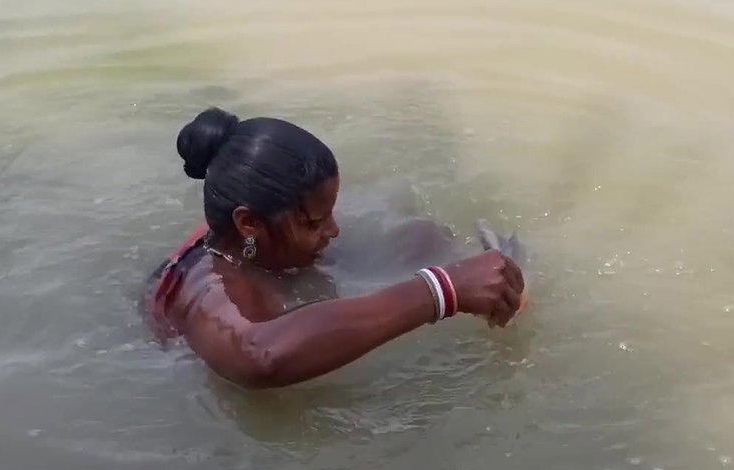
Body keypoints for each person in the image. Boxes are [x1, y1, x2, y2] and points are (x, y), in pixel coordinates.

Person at [145, 107, 526, 389]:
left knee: (421, 235)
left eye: (330, 213)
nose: (333, 230)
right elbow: (261, 357)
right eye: (314, 222)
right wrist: (443, 290)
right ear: (249, 224)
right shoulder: (211, 292)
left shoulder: (246, 235)